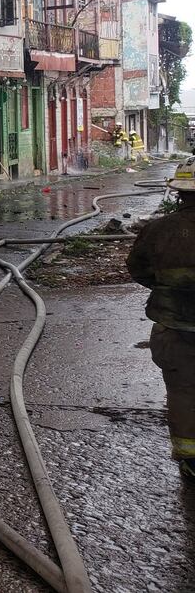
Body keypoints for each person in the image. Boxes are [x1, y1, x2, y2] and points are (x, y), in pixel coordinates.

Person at [126, 157, 195, 483]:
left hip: (176, 328)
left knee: (183, 392)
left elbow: (138, 269)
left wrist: (168, 288)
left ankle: (191, 460)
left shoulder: (159, 230)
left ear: (179, 193)